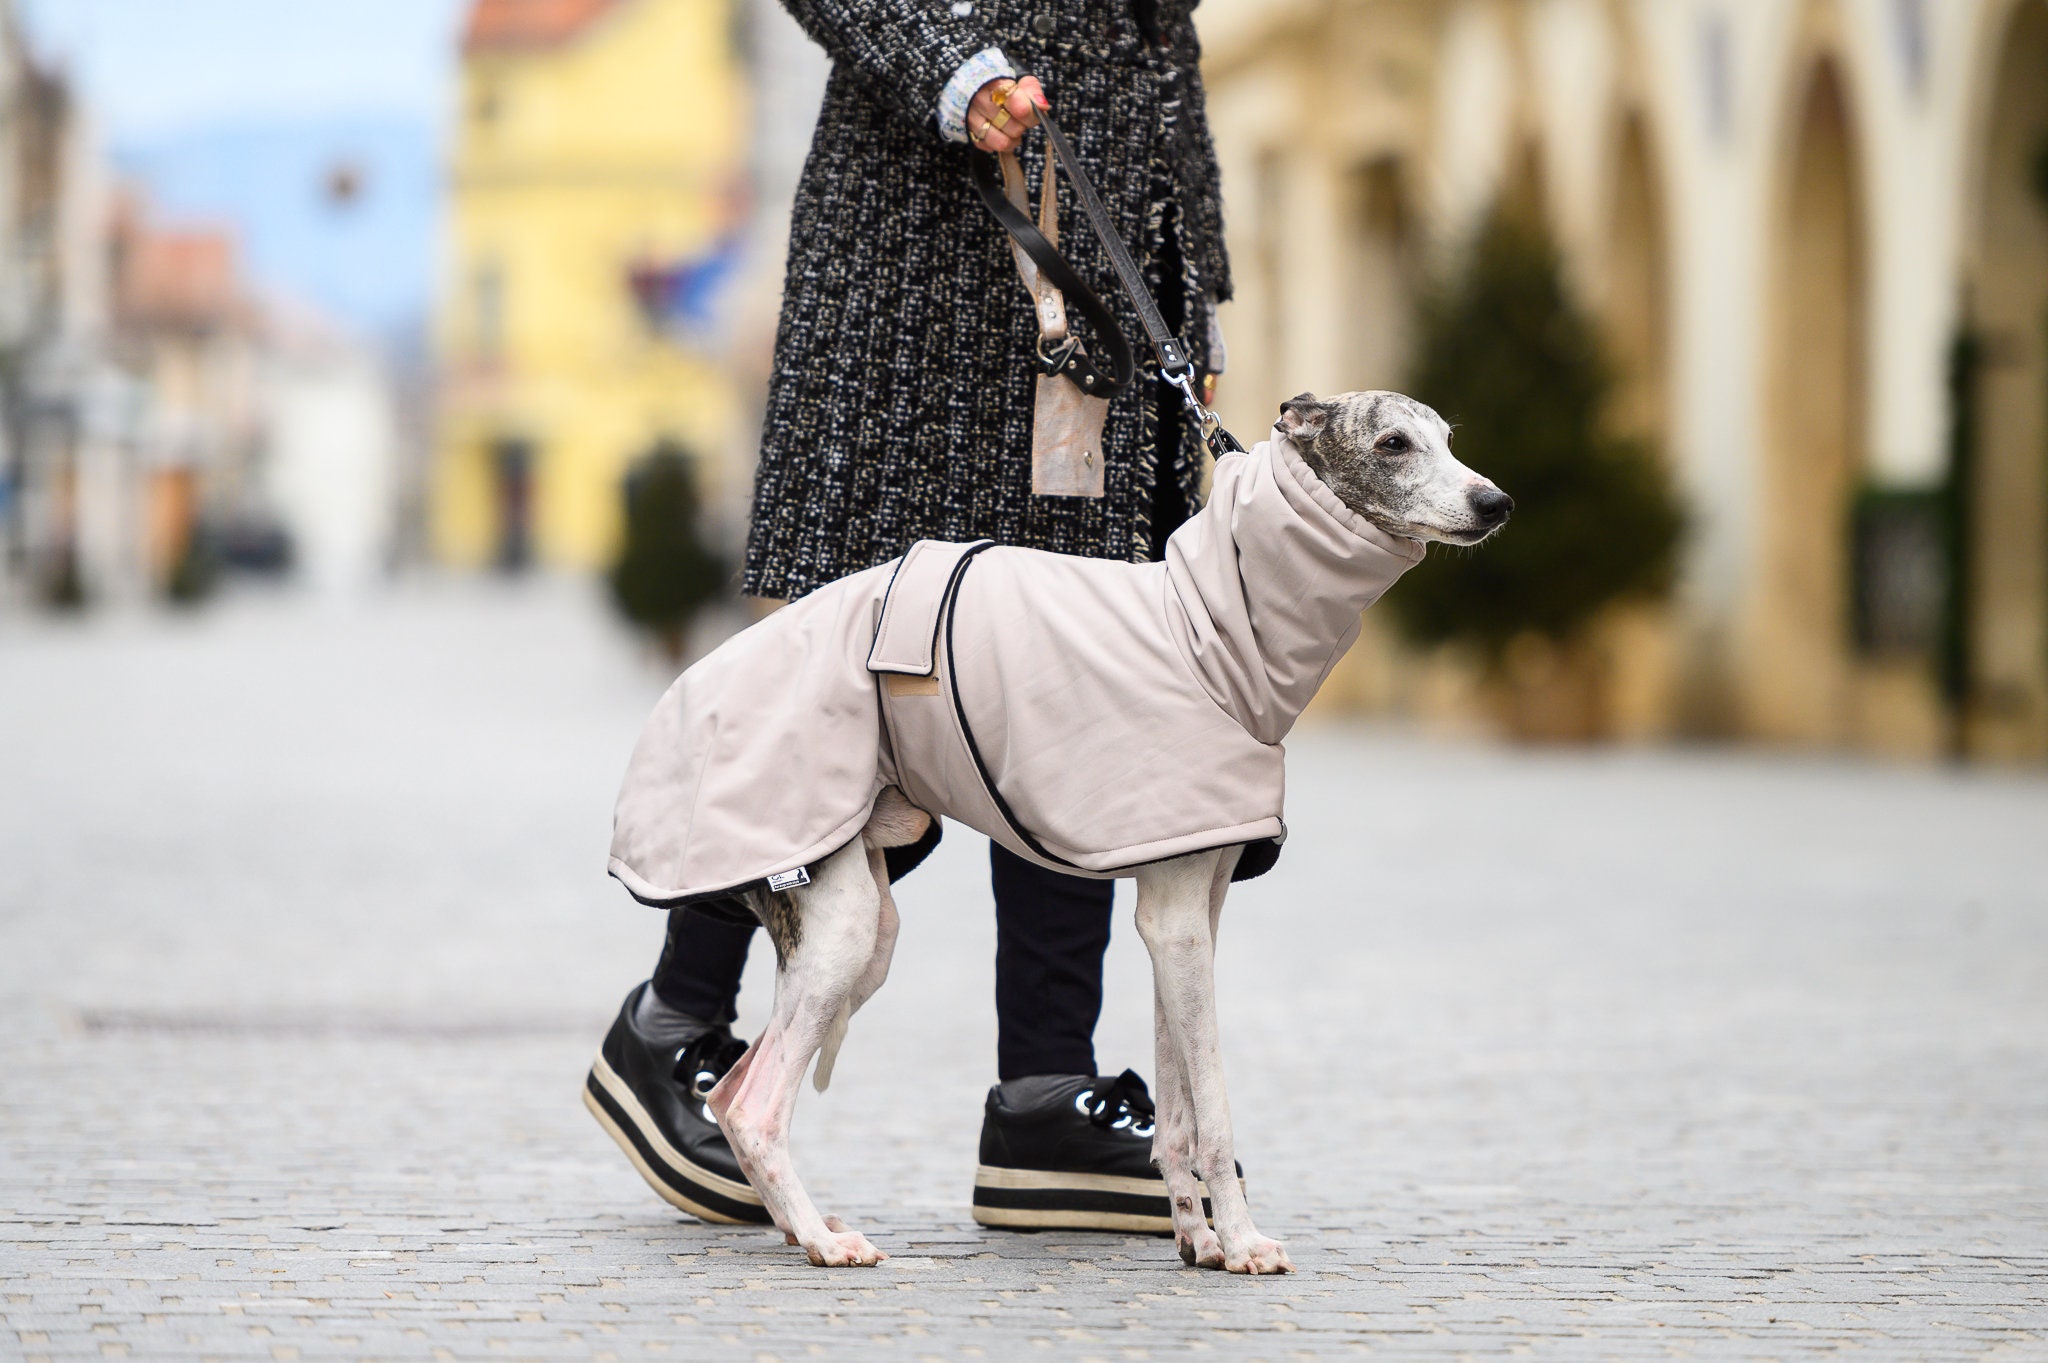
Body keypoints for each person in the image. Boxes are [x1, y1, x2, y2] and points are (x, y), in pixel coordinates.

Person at [585, 0, 1231, 1232]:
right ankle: (673, 1020)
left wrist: (1188, 284)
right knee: (854, 684)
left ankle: (1045, 1092)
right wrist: (950, 70)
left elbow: (1159, 40)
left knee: (1073, 681)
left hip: (1096, 288)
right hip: (925, 262)